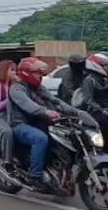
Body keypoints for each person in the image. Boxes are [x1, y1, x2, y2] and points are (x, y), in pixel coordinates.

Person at [9, 57, 84, 191]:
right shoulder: (16, 88)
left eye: (41, 74)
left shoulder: (39, 88)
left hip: (39, 123)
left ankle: (57, 170)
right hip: (21, 125)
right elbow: (28, 105)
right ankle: (35, 176)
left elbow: (56, 101)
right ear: (27, 73)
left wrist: (76, 112)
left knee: (65, 138)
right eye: (38, 73)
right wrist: (46, 112)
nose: (41, 76)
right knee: (40, 139)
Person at [78, 52, 108, 120]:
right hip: (96, 114)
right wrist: (101, 109)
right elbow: (88, 100)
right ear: (96, 65)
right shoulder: (89, 80)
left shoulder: (104, 79)